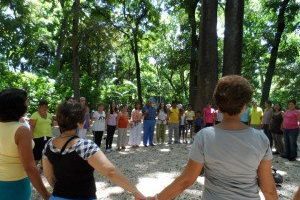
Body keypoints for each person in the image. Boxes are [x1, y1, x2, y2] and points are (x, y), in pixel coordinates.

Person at [151, 75, 278, 200]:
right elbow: (269, 190)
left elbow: (186, 180)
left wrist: (157, 198)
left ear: (218, 105)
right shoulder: (261, 139)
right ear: (245, 105)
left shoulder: (204, 136)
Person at [42, 102, 145, 200]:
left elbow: (48, 175)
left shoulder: (49, 145)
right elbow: (110, 172)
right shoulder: (85, 145)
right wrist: (135, 191)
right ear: (80, 123)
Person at [0, 88, 50, 200]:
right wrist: (46, 194)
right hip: (15, 184)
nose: (27, 104)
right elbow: (30, 167)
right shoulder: (21, 130)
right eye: (26, 102)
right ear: (17, 106)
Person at [29, 99, 53, 163]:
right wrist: (31, 136)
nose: (45, 108)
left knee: (46, 155)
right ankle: (36, 169)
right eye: (43, 107)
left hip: (48, 136)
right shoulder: (34, 115)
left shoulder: (49, 115)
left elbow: (51, 124)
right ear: (39, 107)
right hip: (37, 137)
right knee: (37, 155)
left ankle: (43, 169)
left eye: (46, 107)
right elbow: (31, 127)